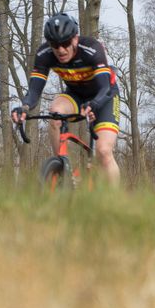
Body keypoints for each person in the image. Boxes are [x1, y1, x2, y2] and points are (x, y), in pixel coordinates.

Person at [11, 13, 121, 185]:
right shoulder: (44, 54)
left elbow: (105, 88)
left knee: (104, 151)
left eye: (65, 43)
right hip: (76, 95)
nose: (61, 50)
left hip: (104, 96)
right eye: (55, 45)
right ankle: (63, 169)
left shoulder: (92, 49)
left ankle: (115, 201)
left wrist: (95, 104)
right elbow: (34, 91)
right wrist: (24, 108)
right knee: (55, 113)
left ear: (75, 39)